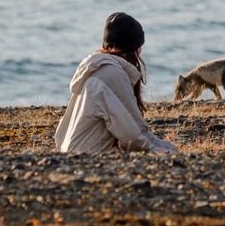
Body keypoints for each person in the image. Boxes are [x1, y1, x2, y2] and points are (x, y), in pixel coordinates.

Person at [55, 12, 178, 154]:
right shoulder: (113, 73)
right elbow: (134, 133)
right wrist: (167, 151)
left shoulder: (97, 67)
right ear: (135, 48)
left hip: (72, 149)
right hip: (88, 153)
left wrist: (168, 147)